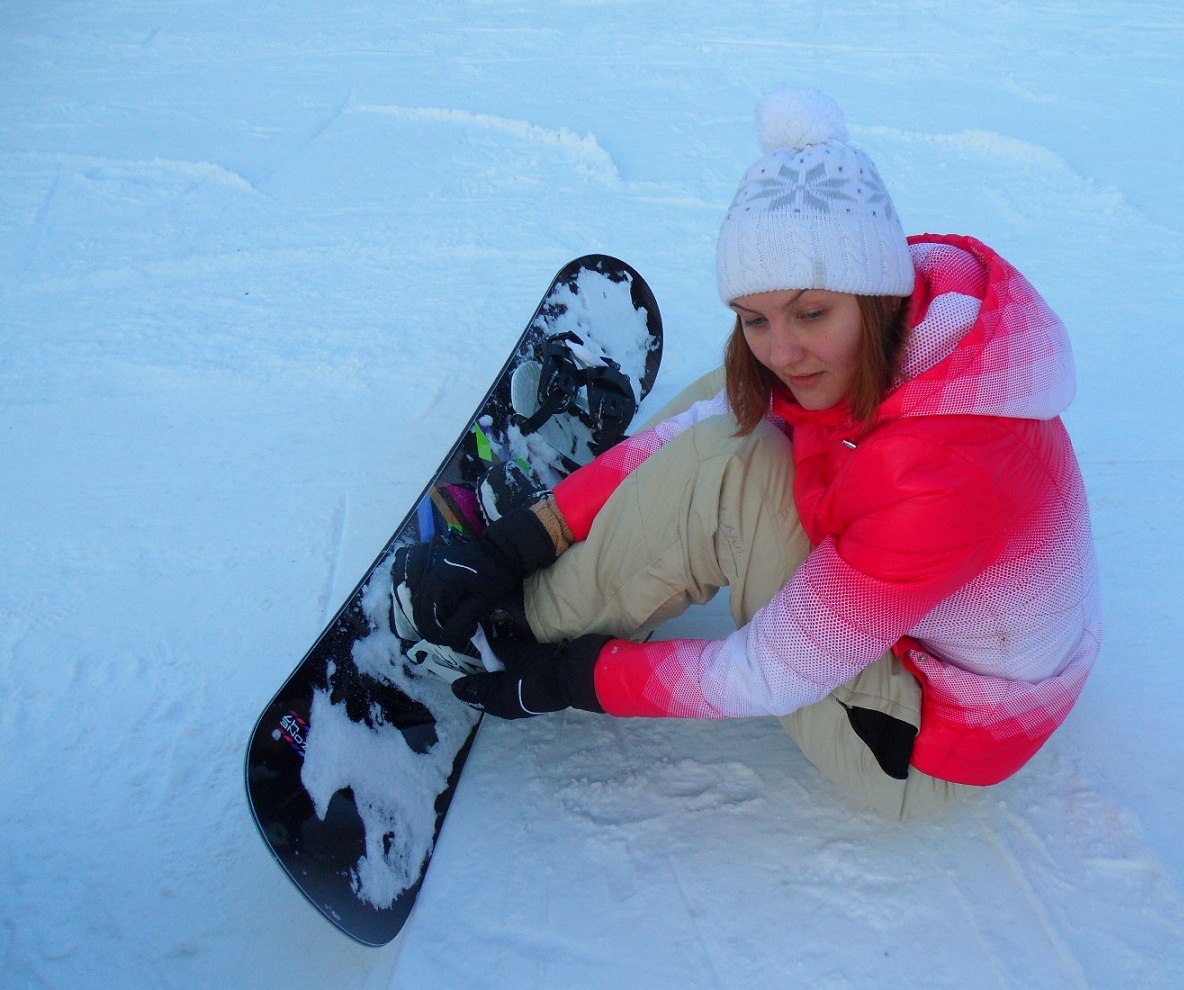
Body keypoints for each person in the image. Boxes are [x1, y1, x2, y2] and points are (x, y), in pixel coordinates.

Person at [391, 87, 1102, 820]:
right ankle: (582, 551)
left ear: (879, 295)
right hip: (938, 633)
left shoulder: (935, 473)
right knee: (738, 396)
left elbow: (771, 672)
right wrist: (529, 536)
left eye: (810, 313)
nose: (782, 347)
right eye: (754, 318)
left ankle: (516, 625)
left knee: (730, 471)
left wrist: (570, 676)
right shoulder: (919, 327)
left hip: (921, 741)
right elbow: (719, 407)